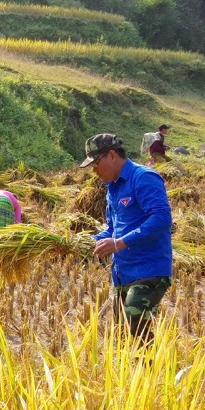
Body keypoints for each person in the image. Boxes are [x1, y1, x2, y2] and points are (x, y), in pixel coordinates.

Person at [81, 134, 173, 341]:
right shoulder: (112, 188)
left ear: (112, 155)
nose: (94, 171)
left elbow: (161, 218)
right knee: (121, 335)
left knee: (135, 328)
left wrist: (120, 243)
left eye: (96, 164)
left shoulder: (143, 178)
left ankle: (154, 372)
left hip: (149, 270)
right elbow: (113, 230)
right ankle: (134, 373)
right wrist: (84, 242)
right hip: (122, 273)